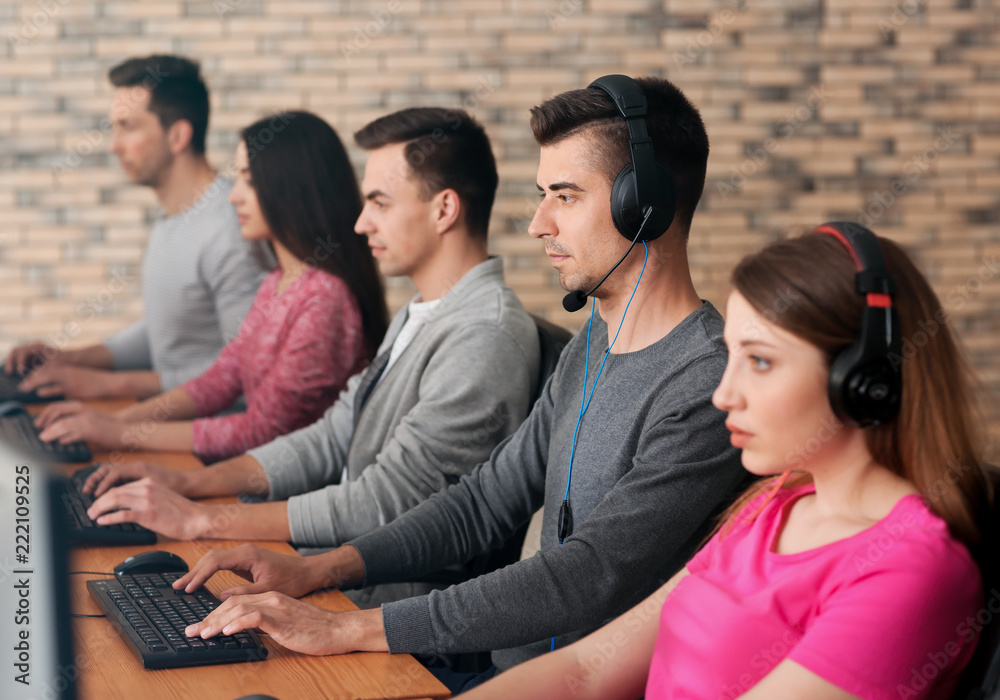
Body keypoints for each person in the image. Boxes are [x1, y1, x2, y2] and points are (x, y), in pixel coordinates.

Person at [172, 75, 746, 690]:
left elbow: (588, 574)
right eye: (540, 195)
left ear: (645, 205)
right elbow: (482, 501)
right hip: (511, 672)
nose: (538, 223)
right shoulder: (592, 347)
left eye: (566, 196)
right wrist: (316, 573)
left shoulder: (707, 382)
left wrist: (349, 628)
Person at [454, 225, 993, 700]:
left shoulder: (908, 568)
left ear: (862, 381)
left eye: (759, 360)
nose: (723, 395)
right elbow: (586, 672)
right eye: (731, 355)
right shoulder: (771, 504)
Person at [75, 108, 541, 605]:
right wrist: (187, 483)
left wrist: (200, 514)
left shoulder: (482, 336)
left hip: (378, 603)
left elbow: (384, 503)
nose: (361, 223)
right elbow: (333, 433)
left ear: (444, 210)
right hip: (325, 567)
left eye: (379, 203)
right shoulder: (423, 311)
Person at [31, 111, 386, 464]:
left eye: (250, 180)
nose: (234, 197)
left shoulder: (324, 299)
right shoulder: (277, 280)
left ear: (292, 187)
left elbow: (262, 431)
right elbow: (223, 377)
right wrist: (111, 422)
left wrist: (116, 432)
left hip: (278, 493)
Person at [5, 54, 267, 400]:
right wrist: (70, 358)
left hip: (208, 442)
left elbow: (245, 369)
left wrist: (110, 384)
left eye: (127, 127)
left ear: (177, 136)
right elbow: (169, 332)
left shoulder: (229, 229)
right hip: (165, 422)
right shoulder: (175, 218)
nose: (113, 145)